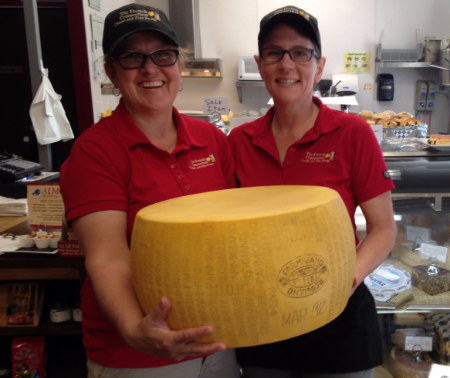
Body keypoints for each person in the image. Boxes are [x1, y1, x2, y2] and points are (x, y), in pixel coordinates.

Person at [60, 4, 240, 377]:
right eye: (132, 57)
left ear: (178, 65)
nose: (150, 68)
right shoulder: (94, 151)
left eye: (163, 54)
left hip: (217, 338)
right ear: (111, 70)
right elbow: (108, 256)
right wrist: (134, 329)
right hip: (139, 352)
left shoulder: (211, 140)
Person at [228, 5, 397, 377]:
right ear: (260, 64)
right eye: (274, 53)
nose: (287, 64)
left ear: (319, 66)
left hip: (339, 317)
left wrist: (344, 280)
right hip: (263, 319)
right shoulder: (239, 140)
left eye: (301, 53)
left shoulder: (353, 133)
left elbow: (384, 229)